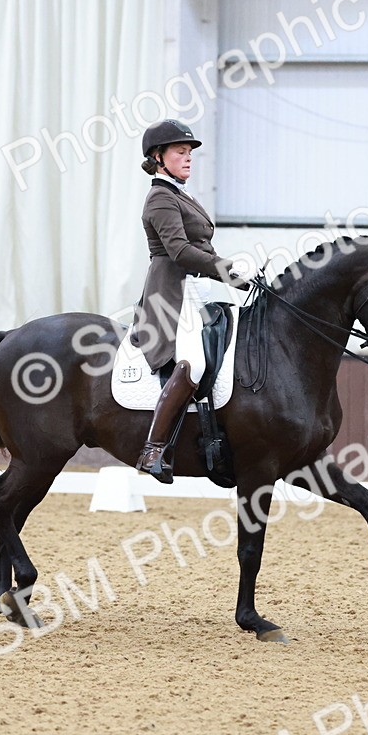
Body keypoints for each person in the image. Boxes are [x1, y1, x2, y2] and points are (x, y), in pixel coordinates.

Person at [131, 119, 250, 483]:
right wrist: (228, 271)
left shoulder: (182, 195)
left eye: (189, 153)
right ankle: (153, 449)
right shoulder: (160, 197)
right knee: (193, 364)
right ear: (158, 156)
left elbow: (202, 247)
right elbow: (180, 250)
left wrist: (238, 277)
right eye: (180, 152)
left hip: (200, 291)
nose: (188, 159)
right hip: (171, 294)